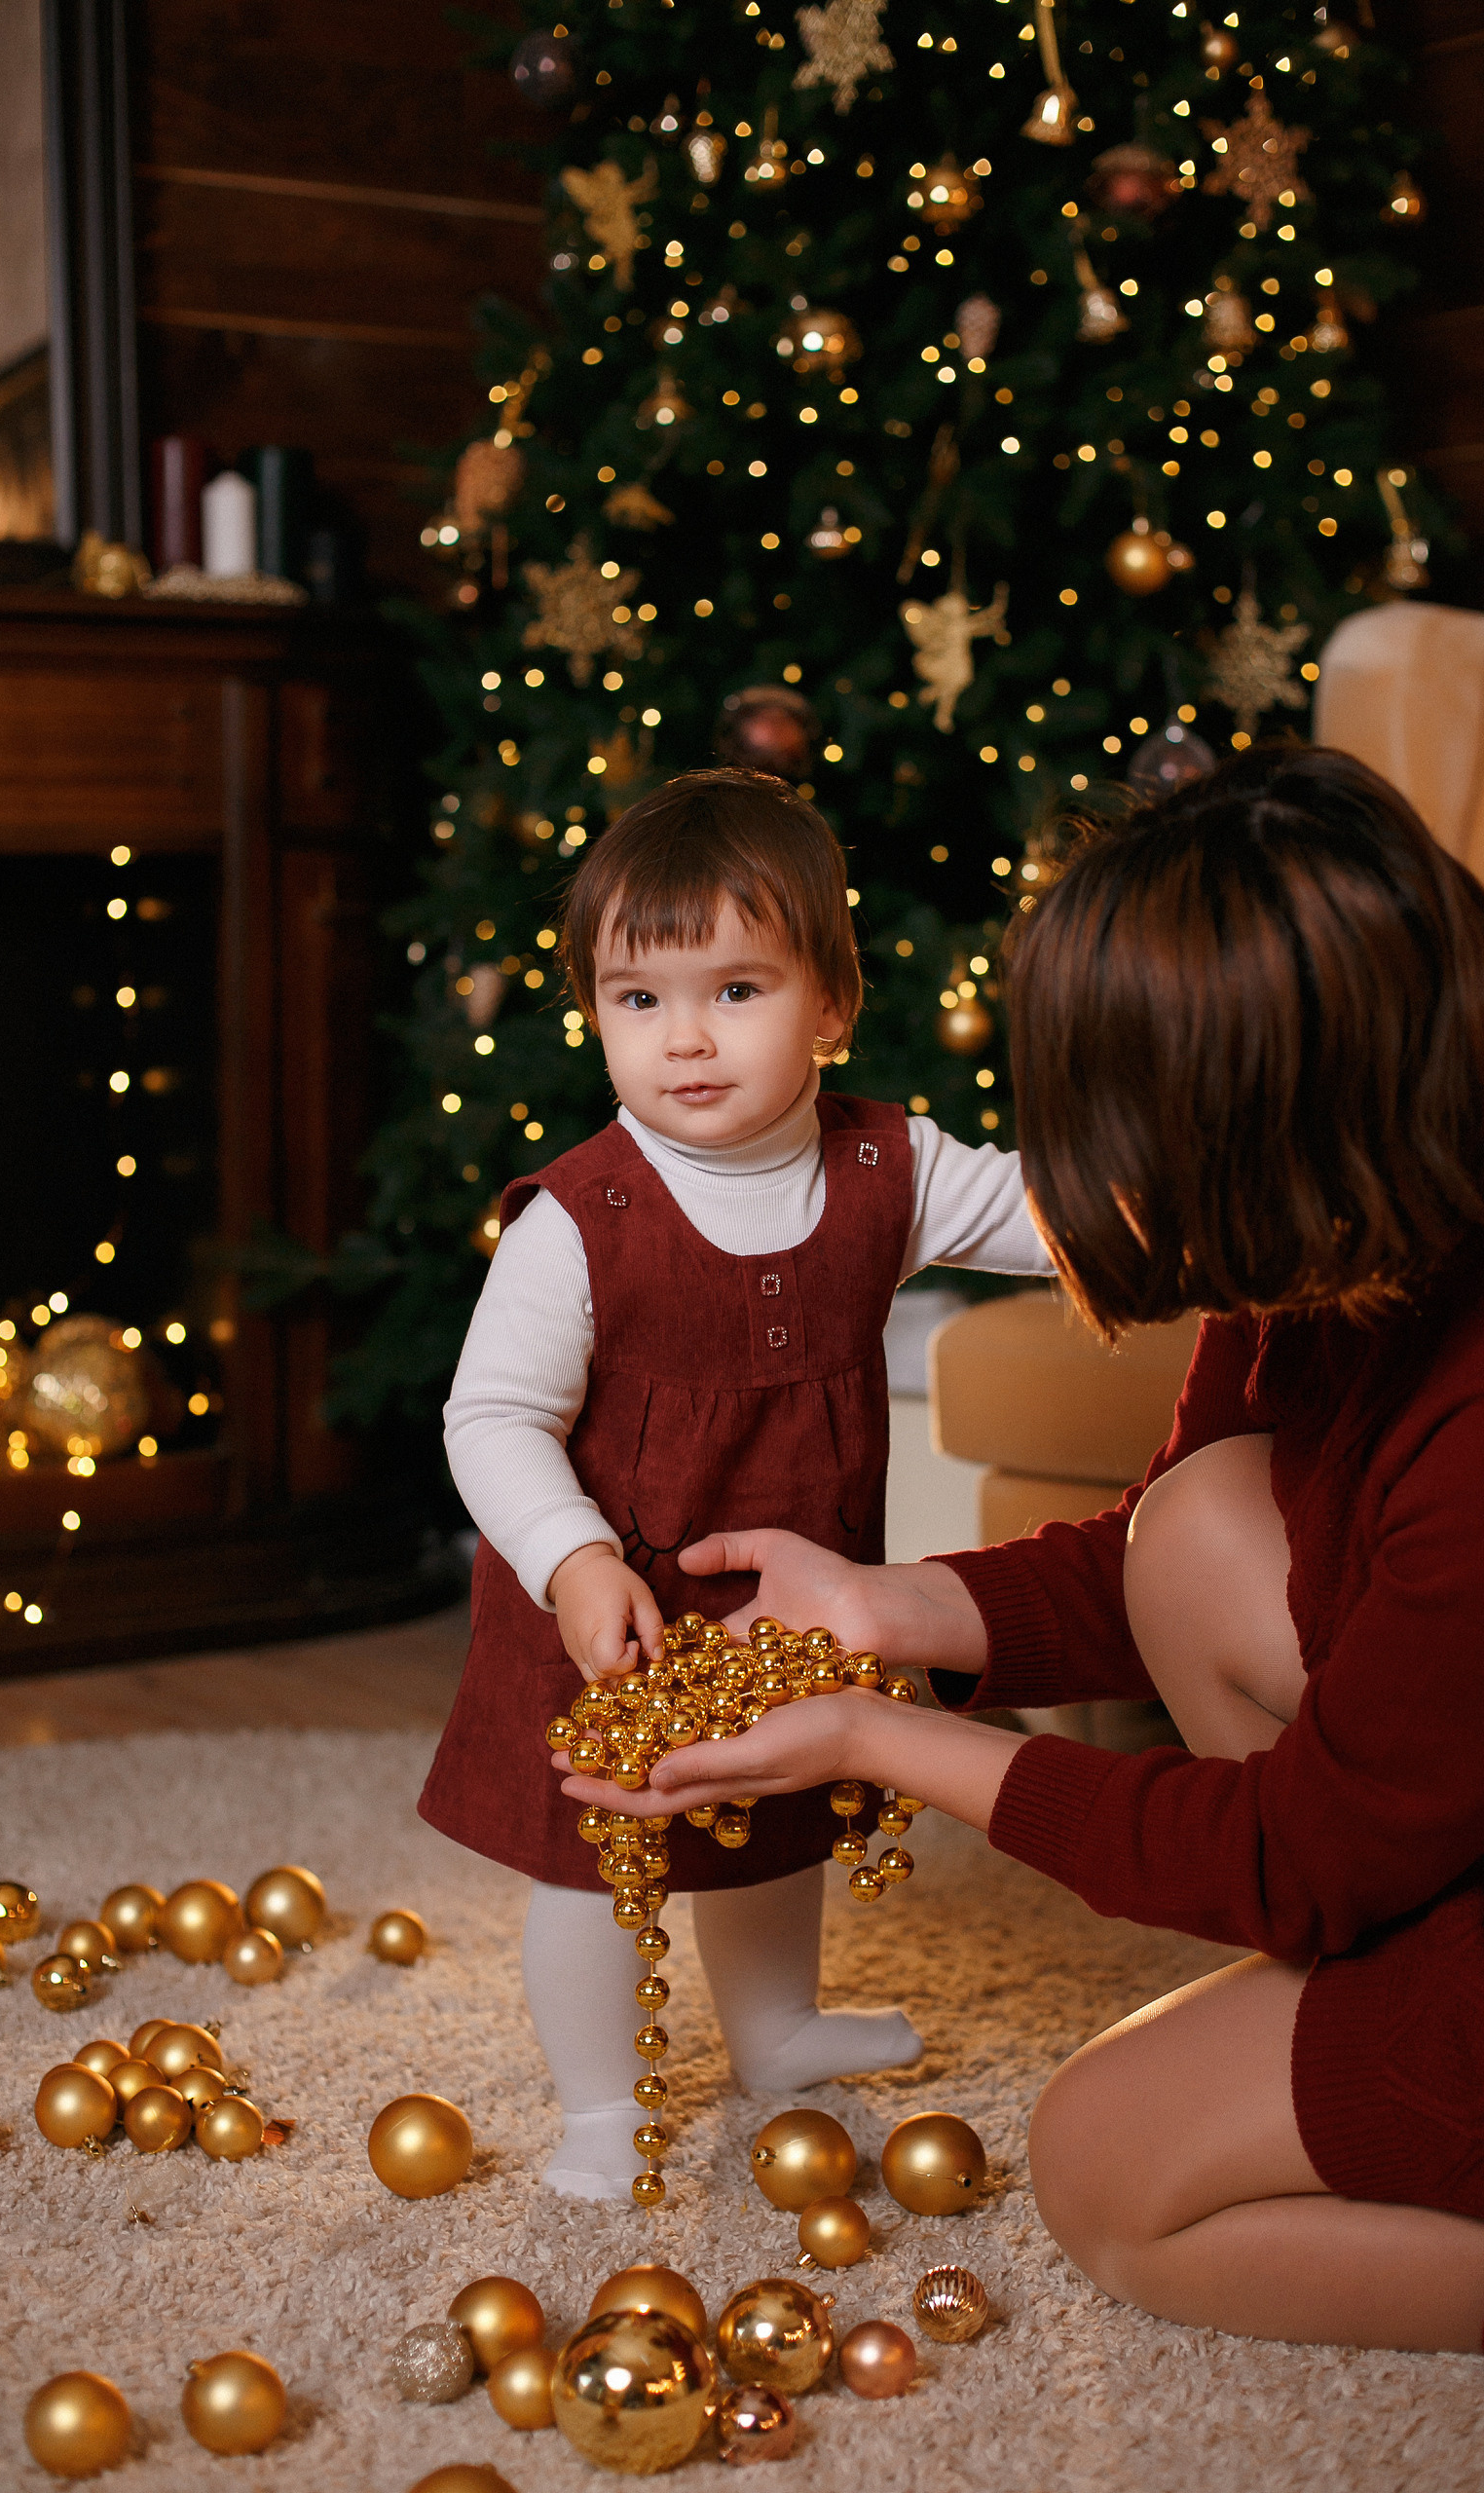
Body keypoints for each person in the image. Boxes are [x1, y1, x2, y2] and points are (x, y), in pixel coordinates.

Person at [559, 746, 1484, 2377]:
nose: (1109, 1189)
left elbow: (1297, 1856)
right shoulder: (1377, 1169)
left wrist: (874, 1735)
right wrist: (888, 1609)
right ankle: (1390, 2004)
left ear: (1275, 1123)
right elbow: (1162, 1545)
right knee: (1199, 1532)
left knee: (1109, 2176)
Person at [421, 767, 1051, 2199]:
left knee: (780, 1812)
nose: (686, 1039)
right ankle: (596, 2104)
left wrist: (1177, 1187)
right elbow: (493, 1417)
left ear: (830, 1004)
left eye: (738, 990)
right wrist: (574, 1561)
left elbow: (1043, 1212)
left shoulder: (889, 1165)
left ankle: (776, 2027)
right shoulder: (581, 1219)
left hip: (786, 1601)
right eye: (639, 999)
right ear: (593, 1009)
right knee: (599, 1856)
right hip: (610, 1613)